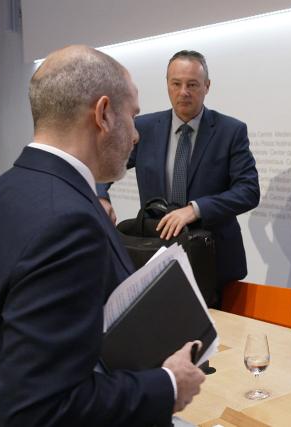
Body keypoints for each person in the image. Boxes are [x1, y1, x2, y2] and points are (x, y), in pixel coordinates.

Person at [0, 45, 205, 427]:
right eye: (132, 116)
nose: (136, 135)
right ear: (103, 114)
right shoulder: (69, 222)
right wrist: (168, 385)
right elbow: (42, 409)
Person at [97, 50, 260, 300]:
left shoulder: (230, 131)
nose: (183, 92)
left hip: (212, 257)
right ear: (167, 85)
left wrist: (196, 209)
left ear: (207, 86)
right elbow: (106, 165)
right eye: (176, 83)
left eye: (192, 84)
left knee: (217, 324)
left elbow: (248, 191)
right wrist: (101, 197)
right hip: (155, 250)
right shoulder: (144, 128)